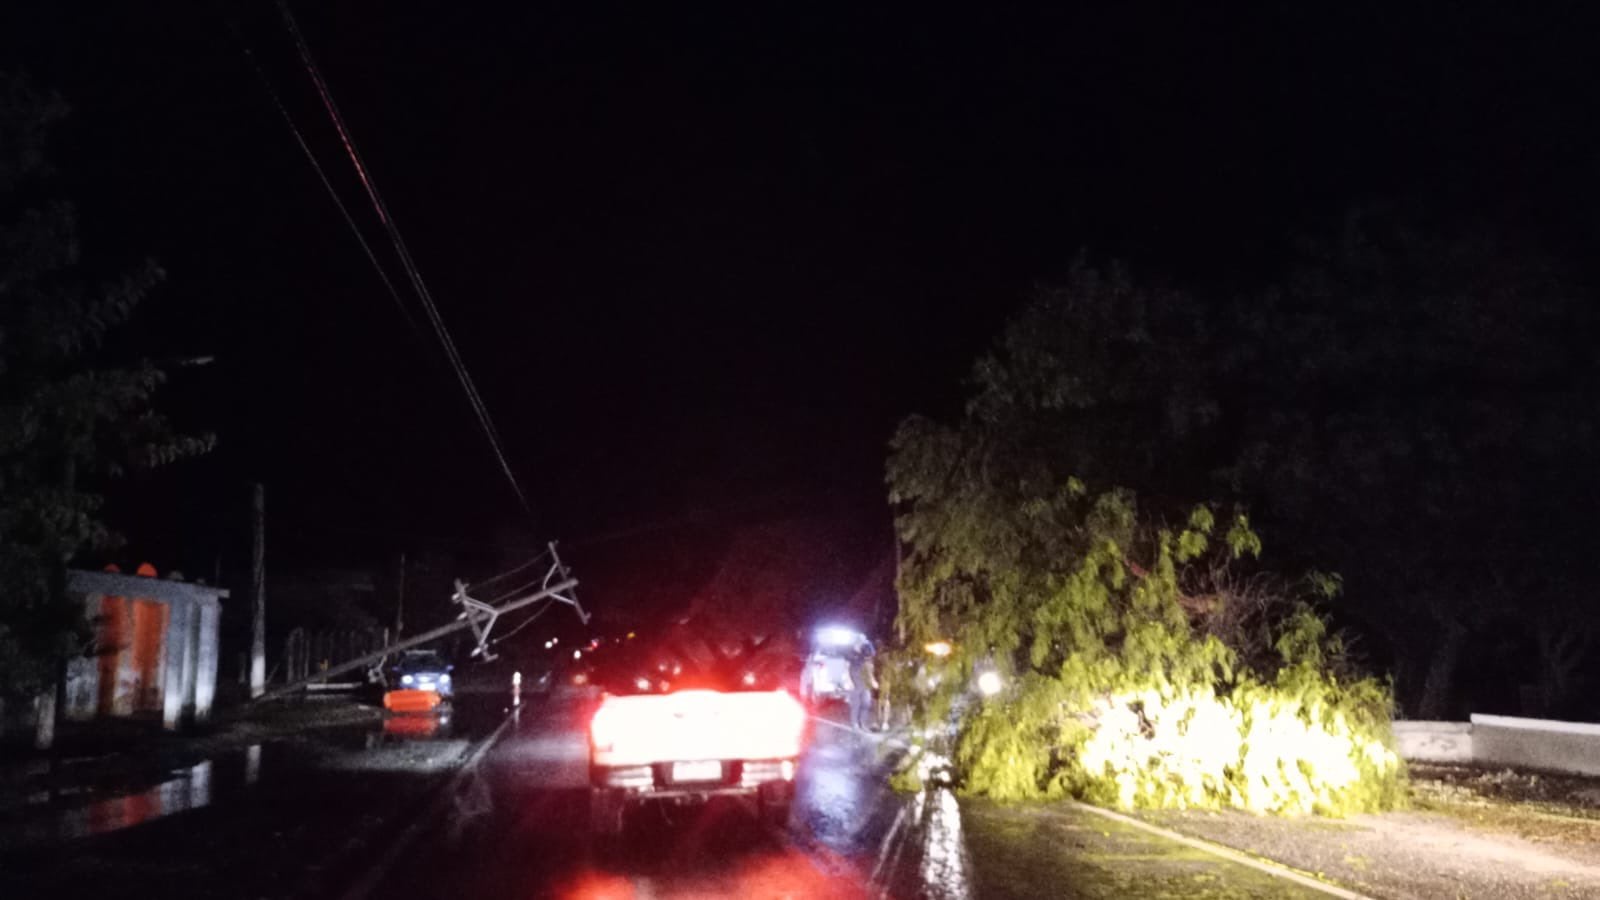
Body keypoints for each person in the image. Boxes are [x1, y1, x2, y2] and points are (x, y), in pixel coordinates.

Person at [848, 643, 879, 731]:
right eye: (869, 655)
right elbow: (867, 674)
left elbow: (869, 674)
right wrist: (873, 682)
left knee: (866, 704)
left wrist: (872, 682)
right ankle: (855, 724)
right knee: (856, 705)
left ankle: (862, 723)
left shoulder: (867, 662)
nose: (870, 657)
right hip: (857, 686)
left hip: (865, 686)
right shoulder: (856, 661)